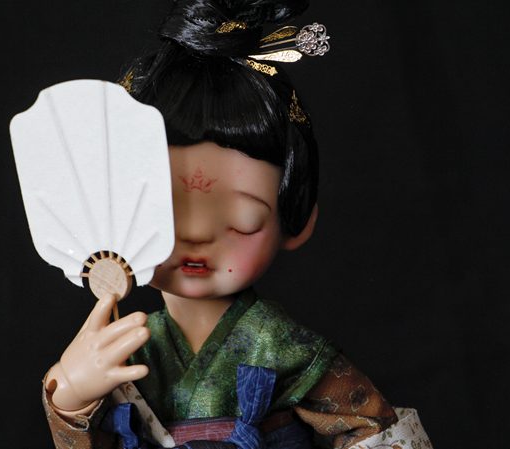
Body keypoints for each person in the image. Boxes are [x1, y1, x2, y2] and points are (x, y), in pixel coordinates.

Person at [42, 1, 432, 448]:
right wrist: (70, 393)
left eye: (242, 220)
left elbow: (373, 428)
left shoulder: (279, 344)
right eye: (162, 213)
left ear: (296, 217)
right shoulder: (134, 345)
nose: (196, 234)